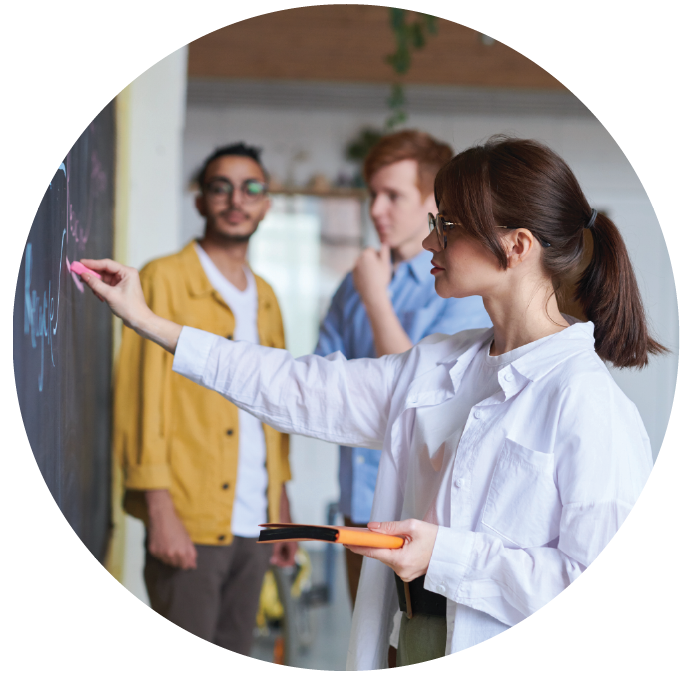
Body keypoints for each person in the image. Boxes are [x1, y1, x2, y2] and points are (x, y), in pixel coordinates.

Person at [82, 136, 662, 670]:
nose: (431, 240)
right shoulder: (439, 363)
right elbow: (301, 387)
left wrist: (450, 556)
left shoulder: (588, 404)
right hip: (411, 643)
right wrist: (152, 323)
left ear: (516, 246)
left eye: (449, 225)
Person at [112, 142, 295, 656]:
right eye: (221, 187)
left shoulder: (266, 296)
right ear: (200, 201)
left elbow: (274, 405)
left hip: (255, 520)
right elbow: (139, 395)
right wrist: (158, 505)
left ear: (266, 204)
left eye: (251, 188)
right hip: (190, 515)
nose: (236, 199)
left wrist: (281, 501)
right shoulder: (164, 279)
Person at [314, 130, 490, 607]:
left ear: (433, 202)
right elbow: (325, 383)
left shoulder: (466, 287)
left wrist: (376, 298)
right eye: (373, 194)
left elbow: (424, 394)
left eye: (393, 195)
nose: (376, 209)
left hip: (426, 519)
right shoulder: (355, 284)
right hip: (358, 508)